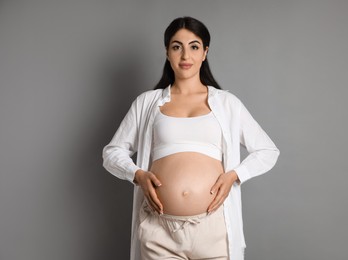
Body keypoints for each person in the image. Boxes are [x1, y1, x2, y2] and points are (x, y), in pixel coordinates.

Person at [102, 16, 280, 260]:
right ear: (167, 52)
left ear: (205, 52)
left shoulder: (226, 103)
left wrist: (234, 176)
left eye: (194, 46)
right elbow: (112, 153)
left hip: (214, 230)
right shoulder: (147, 103)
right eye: (177, 46)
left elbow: (267, 151)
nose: (185, 55)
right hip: (159, 231)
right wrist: (138, 175)